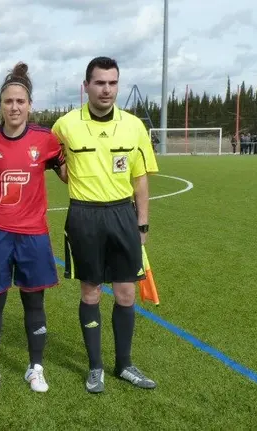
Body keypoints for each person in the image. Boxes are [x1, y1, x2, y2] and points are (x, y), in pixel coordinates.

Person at [51, 56, 159, 393]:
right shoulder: (65, 125)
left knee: (127, 293)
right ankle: (95, 366)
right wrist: (63, 172)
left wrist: (142, 225)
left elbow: (140, 179)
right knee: (91, 291)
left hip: (122, 215)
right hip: (84, 215)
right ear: (86, 87)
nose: (106, 89)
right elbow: (49, 156)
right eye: (100, 83)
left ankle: (124, 364)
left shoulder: (133, 126)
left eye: (112, 83)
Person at [0, 62, 66, 394]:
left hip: (33, 235)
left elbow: (69, 174)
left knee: (35, 303)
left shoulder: (46, 140)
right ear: (0, 106)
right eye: (8, 102)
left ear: (29, 105)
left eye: (20, 101)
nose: (14, 107)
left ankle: (36, 368)